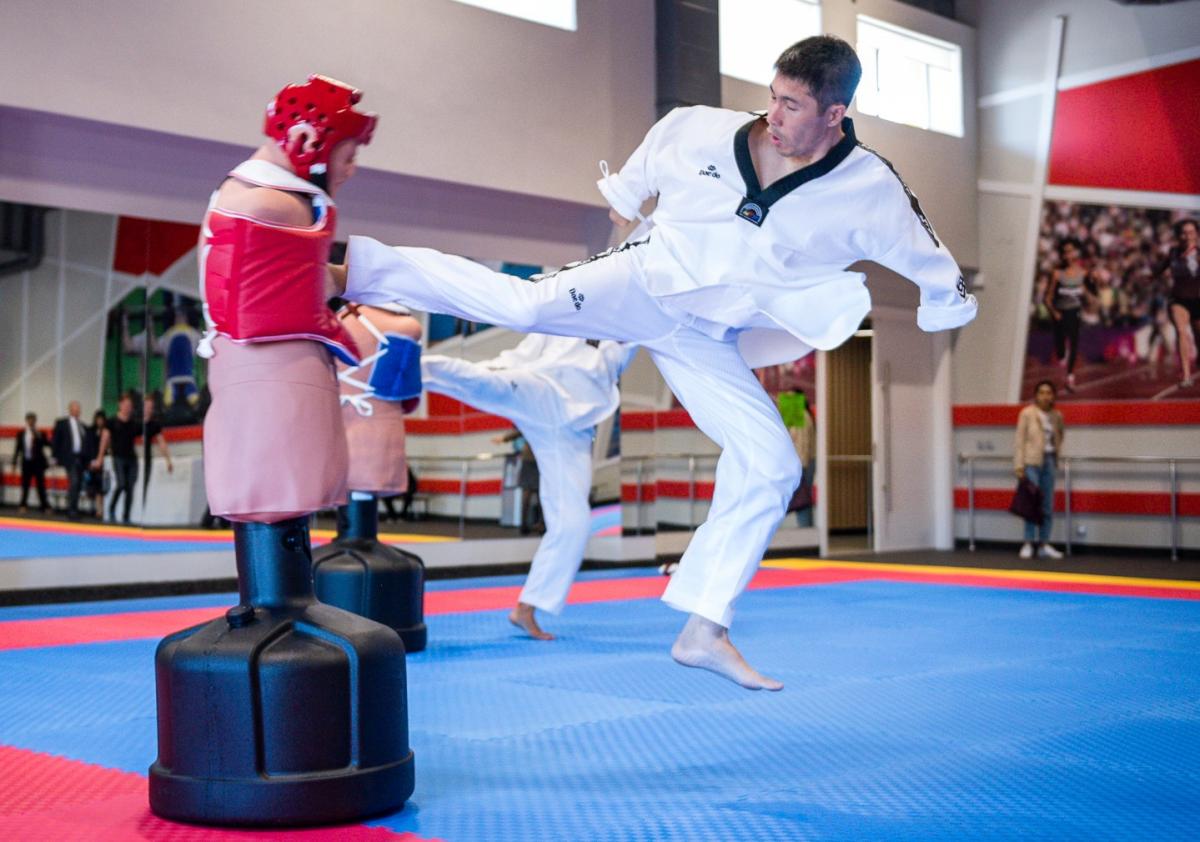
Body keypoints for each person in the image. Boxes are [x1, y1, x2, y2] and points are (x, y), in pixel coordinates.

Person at [337, 36, 977, 690]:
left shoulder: (869, 186)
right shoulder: (700, 130)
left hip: (704, 336)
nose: (774, 115)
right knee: (524, 308)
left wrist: (942, 306)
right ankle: (357, 270)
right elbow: (635, 185)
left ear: (835, 113)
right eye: (773, 98)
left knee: (774, 463)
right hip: (642, 285)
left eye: (792, 105)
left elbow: (932, 262)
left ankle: (704, 627)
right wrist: (630, 195)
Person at [197, 74, 373, 524]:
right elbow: (277, 305)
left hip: (264, 380)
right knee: (279, 524)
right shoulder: (270, 207)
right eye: (348, 156)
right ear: (306, 141)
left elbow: (299, 286)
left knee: (281, 534)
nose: (352, 170)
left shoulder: (251, 198)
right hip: (276, 384)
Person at [424, 334, 634, 640]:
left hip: (574, 426)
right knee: (482, 382)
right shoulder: (568, 304)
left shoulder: (631, 326)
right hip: (542, 390)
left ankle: (527, 607)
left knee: (573, 523)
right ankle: (408, 365)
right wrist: (501, 367)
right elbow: (529, 347)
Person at [1014, 380, 1065, 560]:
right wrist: (1019, 465)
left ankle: (1044, 544)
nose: (1045, 396)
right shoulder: (1027, 414)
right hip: (1031, 463)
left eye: (1049, 392)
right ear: (1036, 395)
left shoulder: (1057, 415)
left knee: (1047, 505)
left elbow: (1060, 435)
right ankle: (1028, 542)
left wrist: (1055, 454)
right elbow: (1019, 441)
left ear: (1053, 396)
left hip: (1049, 461)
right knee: (1030, 504)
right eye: (1041, 392)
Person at [1045, 238, 1090, 392]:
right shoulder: (1057, 274)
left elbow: (1088, 296)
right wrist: (1054, 312)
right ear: (1062, 255)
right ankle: (1062, 355)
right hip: (1060, 313)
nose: (1068, 255)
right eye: (1065, 252)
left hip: (1075, 312)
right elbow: (1047, 298)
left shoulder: (1083, 273)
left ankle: (1070, 376)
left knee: (1075, 342)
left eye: (1071, 251)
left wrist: (1089, 297)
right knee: (1060, 349)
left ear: (1076, 253)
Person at [1160, 218, 1199, 388]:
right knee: (1181, 331)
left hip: (1198, 300)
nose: (1187, 236)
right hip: (1179, 299)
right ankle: (1186, 374)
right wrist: (1152, 276)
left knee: (1198, 337)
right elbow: (1162, 267)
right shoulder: (1173, 252)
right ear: (1178, 235)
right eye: (1184, 233)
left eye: (1191, 232)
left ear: (1196, 234)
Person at [100, 394, 139, 524]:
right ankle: (111, 509)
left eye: (130, 406)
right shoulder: (111, 421)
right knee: (121, 484)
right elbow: (104, 439)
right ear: (120, 405)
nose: (127, 408)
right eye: (125, 405)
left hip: (132, 459)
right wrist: (100, 456)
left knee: (130, 487)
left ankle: (126, 516)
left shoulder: (134, 422)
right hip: (118, 457)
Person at [779, 389, 816, 527]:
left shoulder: (800, 416)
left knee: (803, 501)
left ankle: (806, 532)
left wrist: (798, 468)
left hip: (803, 465)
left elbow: (802, 445)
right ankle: (806, 530)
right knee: (803, 500)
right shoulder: (802, 416)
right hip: (804, 463)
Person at [51, 400, 89, 519]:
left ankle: (74, 508)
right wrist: (54, 456)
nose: (77, 410)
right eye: (75, 408)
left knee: (78, 485)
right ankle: (71, 510)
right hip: (69, 458)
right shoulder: (62, 423)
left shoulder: (83, 425)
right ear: (70, 409)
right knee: (74, 481)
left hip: (81, 459)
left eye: (79, 408)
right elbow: (55, 440)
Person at [11, 412, 50, 513]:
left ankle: (44, 506)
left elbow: (47, 444)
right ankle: (23, 505)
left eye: (33, 420)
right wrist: (14, 463)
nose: (31, 422)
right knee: (25, 485)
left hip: (38, 463)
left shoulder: (40, 433)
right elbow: (17, 449)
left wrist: (39, 435)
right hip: (26, 463)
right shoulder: (21, 434)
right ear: (27, 421)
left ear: (35, 421)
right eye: (29, 420)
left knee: (40, 485)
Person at [140, 395, 174, 507]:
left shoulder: (154, 425)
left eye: (151, 407)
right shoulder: (135, 421)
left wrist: (168, 460)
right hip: (133, 459)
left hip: (146, 460)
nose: (148, 409)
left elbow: (162, 443)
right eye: (146, 406)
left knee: (145, 486)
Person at [84, 409, 111, 518]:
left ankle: (105, 509)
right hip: (94, 462)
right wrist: (90, 461)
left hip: (106, 463)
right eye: (98, 419)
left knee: (104, 488)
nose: (99, 422)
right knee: (96, 488)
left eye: (101, 420)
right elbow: (88, 447)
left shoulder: (108, 432)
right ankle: (98, 510)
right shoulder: (90, 431)